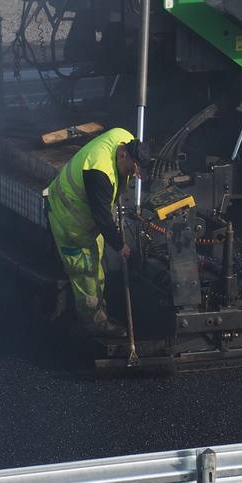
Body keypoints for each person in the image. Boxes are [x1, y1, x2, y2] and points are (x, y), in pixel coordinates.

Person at [45, 127, 150, 337]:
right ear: (122, 156)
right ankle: (94, 323)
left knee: (97, 262)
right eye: (132, 170)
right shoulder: (98, 173)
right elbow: (102, 218)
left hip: (87, 218)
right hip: (69, 219)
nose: (134, 176)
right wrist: (121, 246)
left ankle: (101, 309)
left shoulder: (125, 137)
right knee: (85, 272)